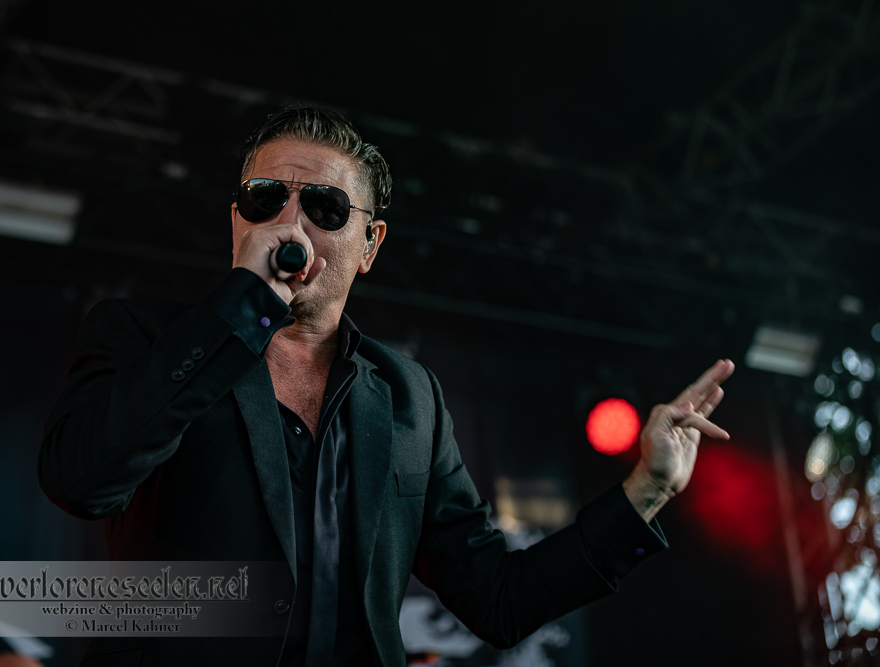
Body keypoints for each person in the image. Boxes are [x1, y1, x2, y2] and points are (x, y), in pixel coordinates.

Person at [38, 105, 735, 666]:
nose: (289, 222)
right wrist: (240, 308)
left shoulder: (409, 396)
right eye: (264, 198)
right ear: (235, 221)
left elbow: (498, 599)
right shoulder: (143, 337)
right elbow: (82, 480)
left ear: (369, 244)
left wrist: (647, 489)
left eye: (324, 207)